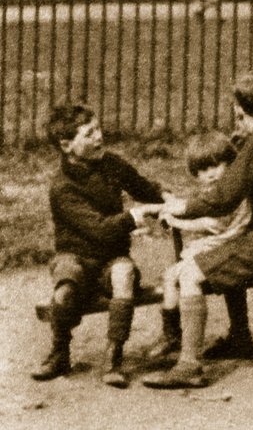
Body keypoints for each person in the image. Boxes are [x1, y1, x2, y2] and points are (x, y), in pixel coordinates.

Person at [141, 73, 253, 389]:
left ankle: (189, 365)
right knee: (221, 257)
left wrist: (182, 207)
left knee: (191, 274)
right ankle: (240, 338)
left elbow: (224, 196)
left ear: (241, 109)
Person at [32, 104, 166, 387]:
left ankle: (114, 356)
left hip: (111, 258)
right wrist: (133, 216)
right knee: (65, 289)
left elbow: (144, 189)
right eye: (89, 133)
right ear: (66, 145)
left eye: (98, 129)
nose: (99, 137)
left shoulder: (112, 165)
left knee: (124, 274)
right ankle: (59, 351)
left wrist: (166, 199)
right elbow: (99, 229)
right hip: (76, 256)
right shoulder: (62, 187)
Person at [144, 132, 246, 363]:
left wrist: (177, 221)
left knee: (174, 276)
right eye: (202, 170)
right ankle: (173, 332)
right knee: (171, 275)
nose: (209, 174)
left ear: (230, 163)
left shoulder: (231, 191)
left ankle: (173, 335)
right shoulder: (218, 190)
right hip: (224, 242)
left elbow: (213, 225)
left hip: (227, 243)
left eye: (215, 166)